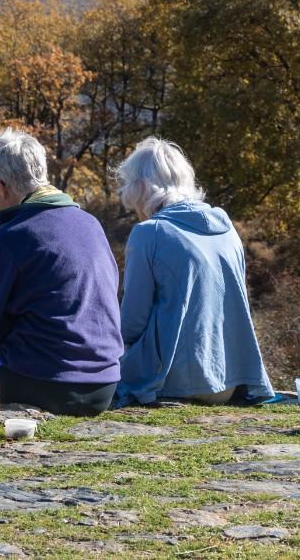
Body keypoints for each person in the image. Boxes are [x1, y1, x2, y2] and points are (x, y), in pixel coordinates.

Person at [0, 128, 122, 415]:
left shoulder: (12, 237)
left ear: (1, 186)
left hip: (48, 380)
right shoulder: (91, 224)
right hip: (105, 384)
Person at [112, 137, 272, 406]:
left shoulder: (149, 233)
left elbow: (132, 322)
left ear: (141, 187)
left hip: (171, 381)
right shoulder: (227, 228)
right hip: (228, 381)